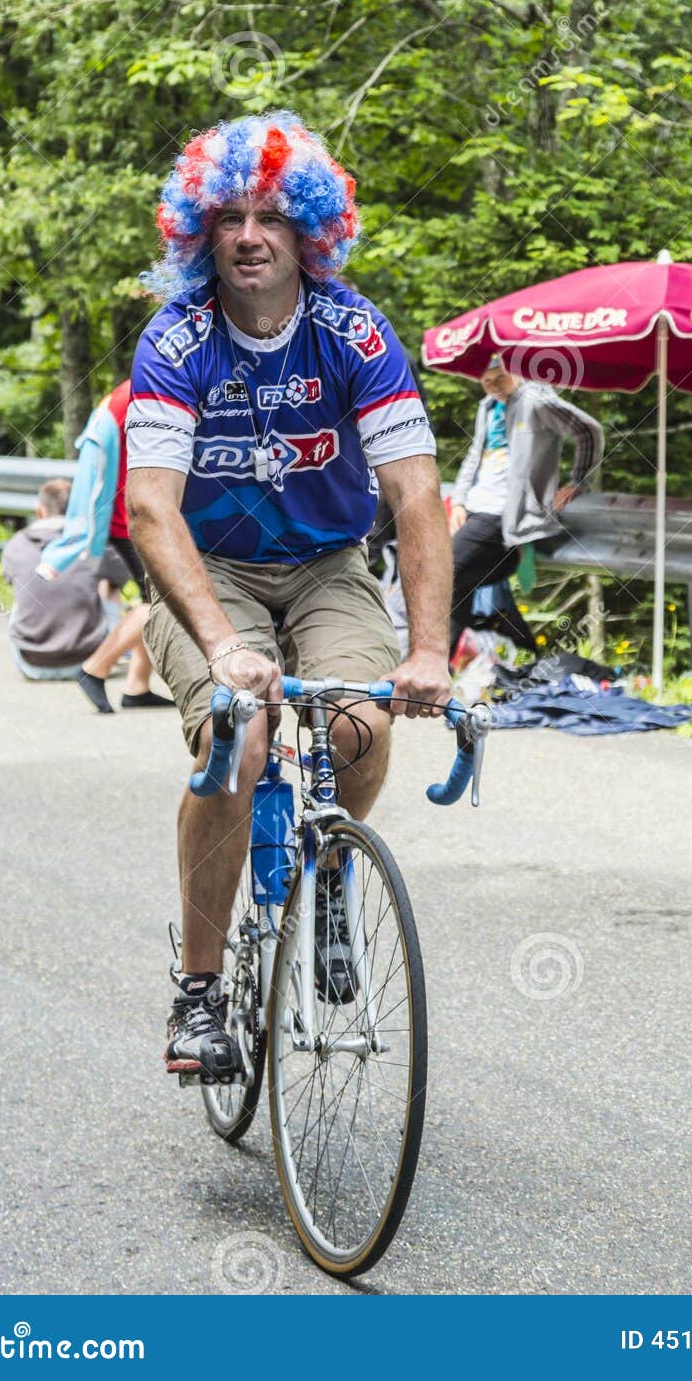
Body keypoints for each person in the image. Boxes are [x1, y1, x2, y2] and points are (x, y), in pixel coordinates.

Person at [125, 110, 452, 1083]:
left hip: (324, 564)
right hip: (208, 568)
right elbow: (150, 509)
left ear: (311, 230)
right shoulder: (177, 341)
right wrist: (223, 645)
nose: (252, 236)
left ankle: (333, 870)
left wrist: (429, 650)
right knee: (245, 733)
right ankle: (198, 992)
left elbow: (416, 496)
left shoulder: (355, 332)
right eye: (231, 218)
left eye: (273, 216)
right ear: (203, 233)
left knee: (358, 722)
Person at [448, 355, 603, 658]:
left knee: (443, 571)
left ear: (514, 372)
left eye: (499, 379)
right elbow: (475, 455)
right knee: (456, 585)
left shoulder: (535, 401)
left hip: (505, 513)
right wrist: (460, 500)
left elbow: (588, 430)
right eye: (486, 382)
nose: (493, 387)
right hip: (477, 507)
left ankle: (438, 666)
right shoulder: (487, 406)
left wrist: (579, 480)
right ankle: (444, 668)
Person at [37, 380, 173, 714]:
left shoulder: (133, 391)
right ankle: (95, 668)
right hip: (130, 521)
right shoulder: (139, 395)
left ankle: (137, 687)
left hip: (126, 516)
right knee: (162, 601)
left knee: (152, 599)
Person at [2, 479, 132, 680]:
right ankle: (113, 655)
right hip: (86, 661)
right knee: (110, 584)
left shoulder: (16, 543)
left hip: (30, 664)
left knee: (22, 591)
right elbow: (124, 576)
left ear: (39, 511)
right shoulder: (91, 543)